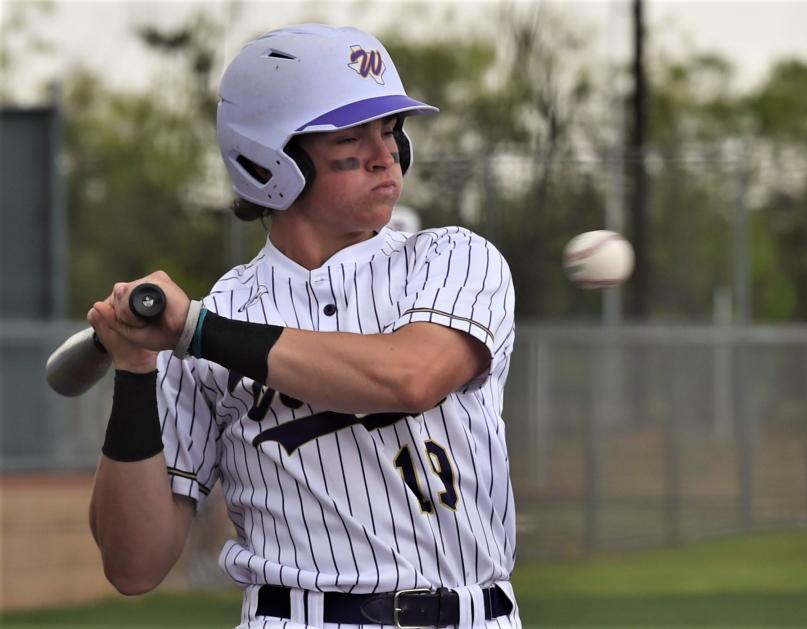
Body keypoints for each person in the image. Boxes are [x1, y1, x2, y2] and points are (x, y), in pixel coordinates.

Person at [86, 24, 519, 629]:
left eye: (391, 128)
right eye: (350, 134)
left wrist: (196, 334)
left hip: (474, 614)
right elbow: (134, 567)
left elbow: (412, 377)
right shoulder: (210, 319)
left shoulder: (451, 258)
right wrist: (135, 369)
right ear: (269, 159)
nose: (384, 152)